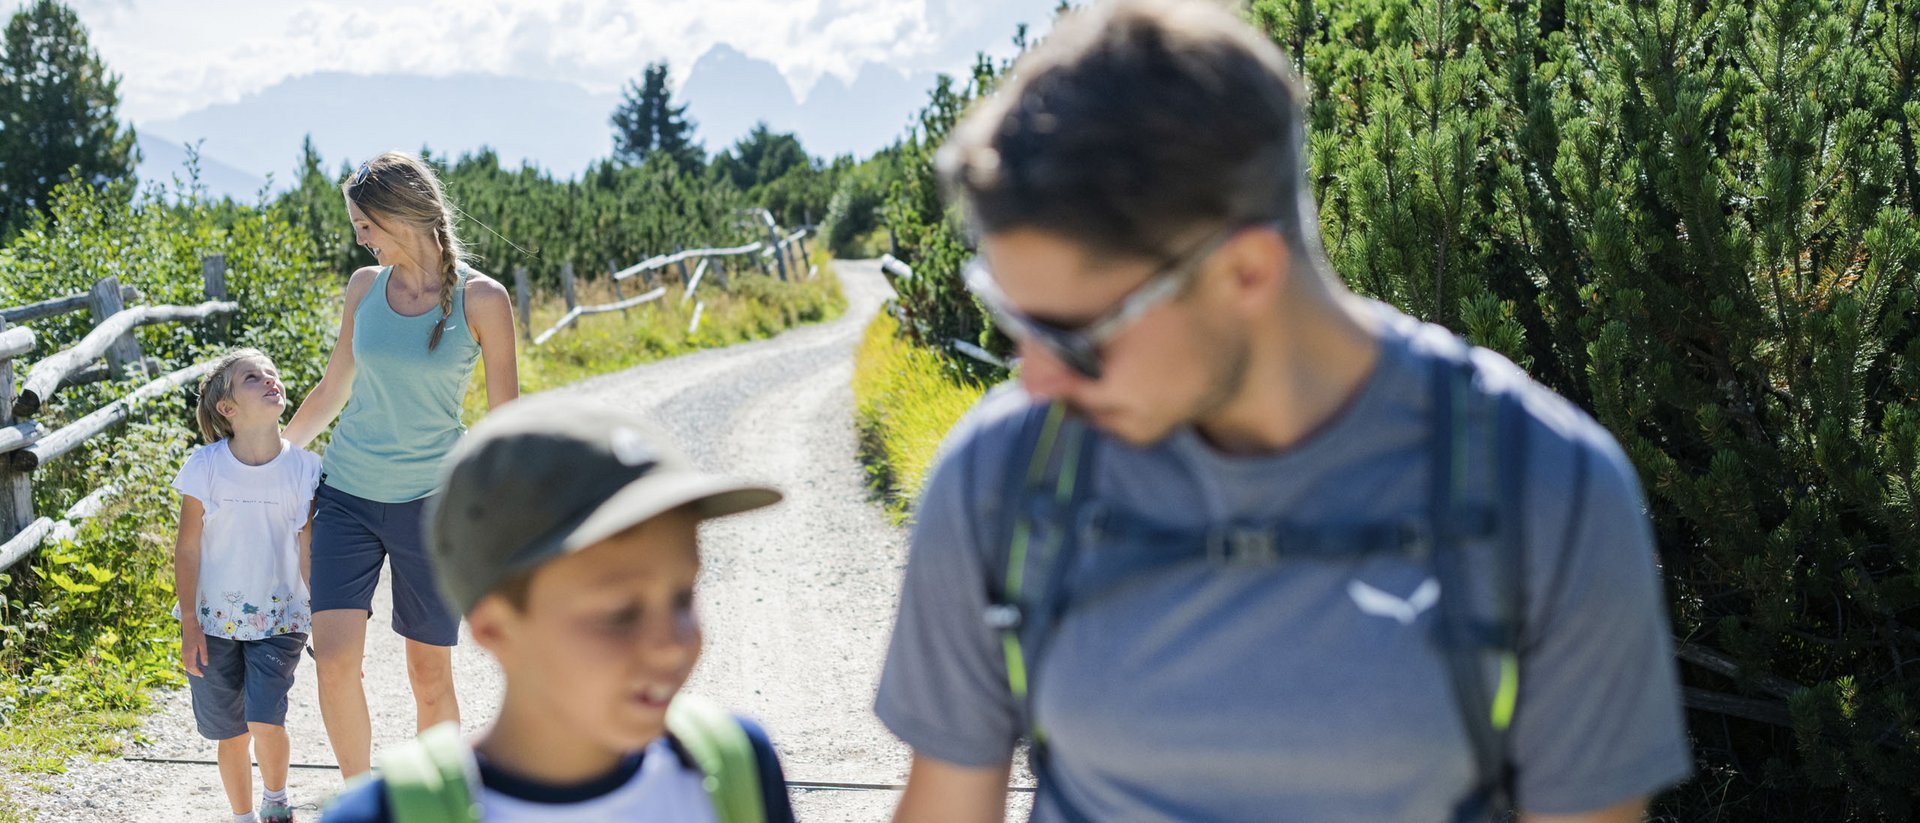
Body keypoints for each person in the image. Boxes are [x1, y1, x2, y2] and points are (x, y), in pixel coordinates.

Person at [874, 1, 1693, 821]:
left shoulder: (1547, 488)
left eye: (1077, 338)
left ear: (1247, 273)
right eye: (1015, 322)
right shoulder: (1001, 476)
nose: (1037, 381)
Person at [321, 395, 797, 822]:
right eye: (620, 613)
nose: (672, 643)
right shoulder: (382, 816)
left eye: (682, 596)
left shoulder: (739, 769)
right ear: (493, 629)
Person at [282, 150, 520, 779]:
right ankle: (362, 799)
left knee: (428, 674)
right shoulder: (365, 288)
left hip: (431, 506)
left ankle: (436, 805)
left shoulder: (482, 299)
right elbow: (333, 390)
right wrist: (271, 459)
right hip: (346, 496)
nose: (359, 240)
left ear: (402, 215)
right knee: (333, 660)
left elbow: (504, 423)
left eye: (365, 225)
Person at [172, 348, 324, 823]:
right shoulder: (206, 466)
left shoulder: (305, 469)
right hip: (212, 622)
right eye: (252, 378)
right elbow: (188, 548)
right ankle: (240, 816)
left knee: (264, 718)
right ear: (227, 409)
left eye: (271, 374)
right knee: (230, 732)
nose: (269, 380)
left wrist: (328, 622)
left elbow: (308, 552)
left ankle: (276, 800)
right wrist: (190, 623)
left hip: (281, 620)